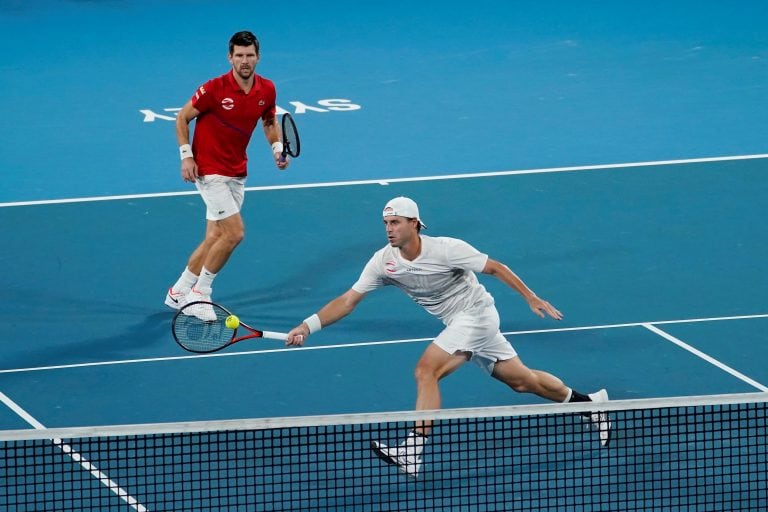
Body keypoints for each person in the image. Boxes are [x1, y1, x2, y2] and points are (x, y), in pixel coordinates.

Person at [286, 196, 611, 478]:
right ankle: (591, 404)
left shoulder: (447, 250)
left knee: (426, 370)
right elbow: (348, 300)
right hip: (459, 323)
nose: (389, 229)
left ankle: (412, 451)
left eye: (395, 222)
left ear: (414, 223)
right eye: (386, 223)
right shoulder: (383, 262)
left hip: (477, 315)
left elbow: (495, 268)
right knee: (522, 381)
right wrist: (307, 325)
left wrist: (531, 296)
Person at [165, 30, 289, 320]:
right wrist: (187, 157)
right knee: (234, 234)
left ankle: (179, 291)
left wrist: (277, 148)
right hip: (209, 170)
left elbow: (269, 120)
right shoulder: (213, 89)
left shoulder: (267, 89)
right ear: (230, 57)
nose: (244, 61)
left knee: (215, 237)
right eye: (239, 55)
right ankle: (200, 294)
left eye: (249, 55)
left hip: (236, 170)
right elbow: (182, 117)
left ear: (257, 57)